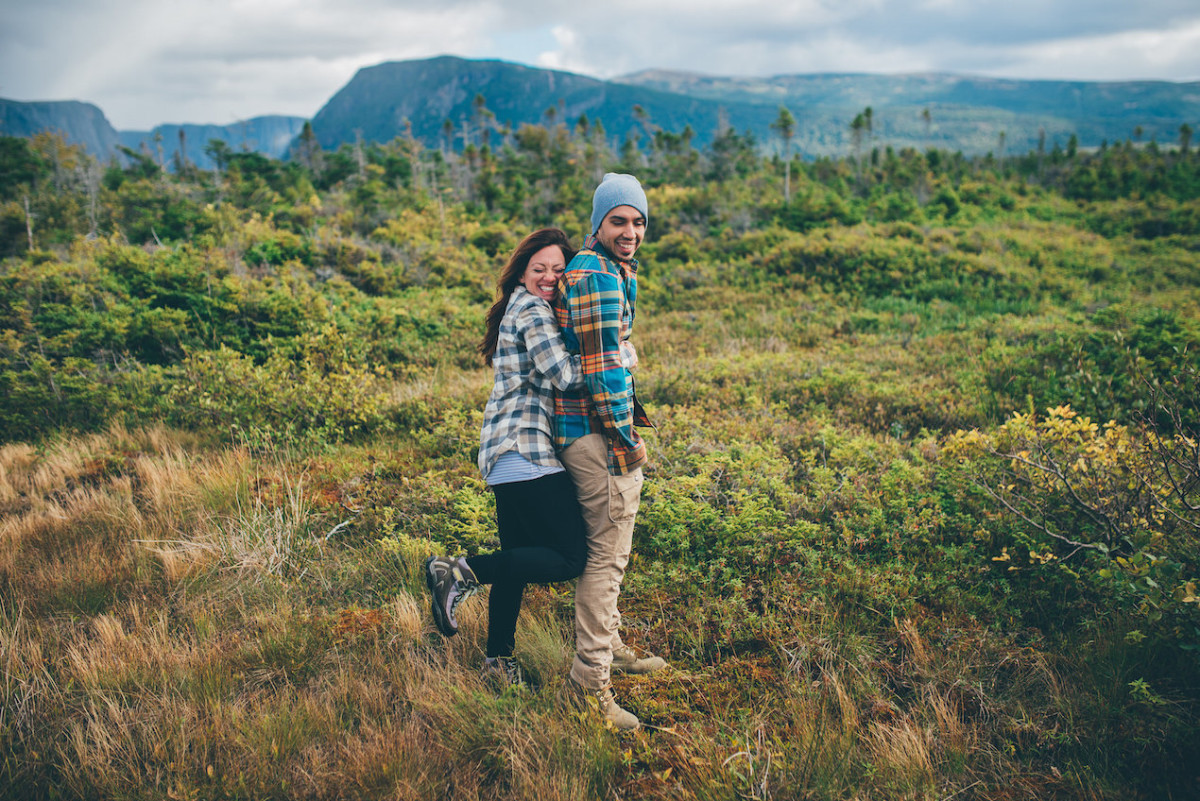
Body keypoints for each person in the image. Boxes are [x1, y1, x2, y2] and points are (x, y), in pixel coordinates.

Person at [425, 228, 588, 689]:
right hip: (524, 448)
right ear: (522, 271)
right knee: (569, 557)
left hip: (504, 454)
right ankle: (458, 571)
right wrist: (623, 357)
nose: (550, 278)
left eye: (559, 270)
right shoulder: (534, 309)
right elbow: (562, 375)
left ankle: (497, 662)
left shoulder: (520, 306)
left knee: (515, 561)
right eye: (540, 269)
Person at [554, 173, 667, 731]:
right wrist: (628, 443)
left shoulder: (608, 270)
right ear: (597, 223)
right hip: (597, 434)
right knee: (607, 556)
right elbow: (602, 373)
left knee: (609, 553)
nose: (631, 231)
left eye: (638, 221)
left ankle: (611, 645)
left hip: (586, 429)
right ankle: (590, 687)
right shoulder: (597, 276)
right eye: (619, 220)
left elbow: (607, 350)